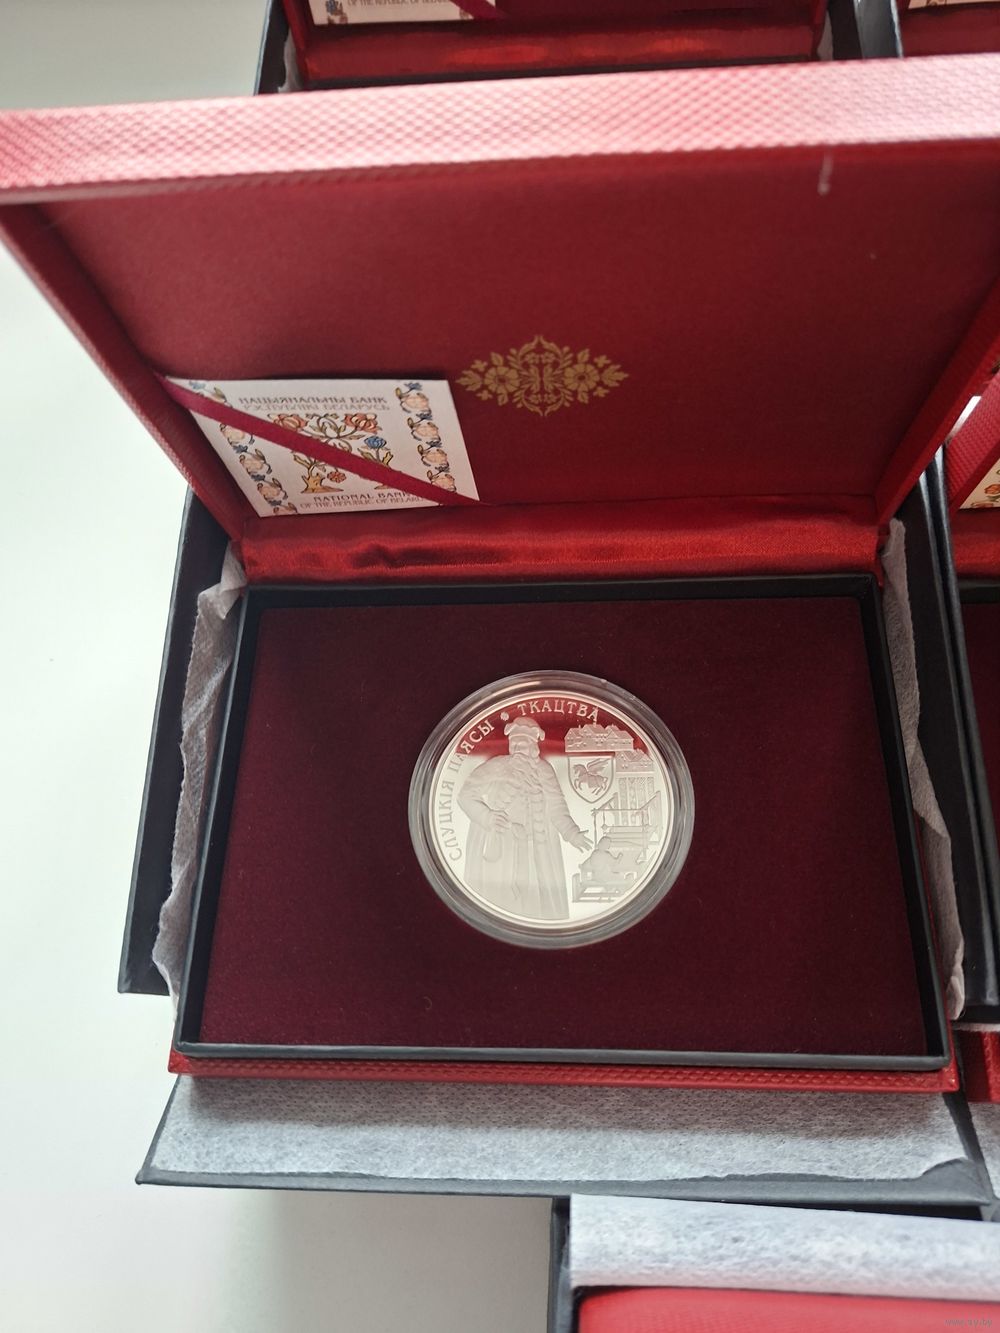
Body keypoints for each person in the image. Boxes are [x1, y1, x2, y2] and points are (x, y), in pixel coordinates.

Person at [457, 716, 592, 921]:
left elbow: (557, 806)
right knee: (499, 904)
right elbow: (465, 796)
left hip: (536, 850)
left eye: (523, 744)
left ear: (533, 746)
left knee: (537, 905)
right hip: (502, 847)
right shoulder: (496, 766)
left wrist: (572, 833)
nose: (518, 748)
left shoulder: (545, 771)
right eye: (515, 743)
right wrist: (487, 817)